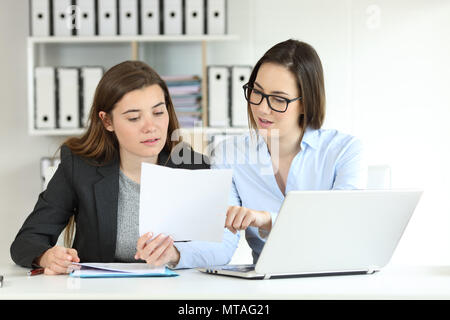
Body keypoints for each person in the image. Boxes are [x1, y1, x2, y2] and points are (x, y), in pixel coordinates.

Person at [10, 61, 239, 274]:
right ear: (107, 121)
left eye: (158, 112)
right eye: (133, 118)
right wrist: (47, 256)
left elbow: (219, 250)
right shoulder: (80, 166)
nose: (151, 127)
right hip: (101, 294)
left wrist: (176, 255)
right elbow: (27, 240)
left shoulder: (196, 168)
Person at [212, 39, 367, 263]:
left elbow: (339, 228)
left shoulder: (345, 151)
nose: (262, 108)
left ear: (306, 103)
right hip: (265, 286)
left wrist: (267, 220)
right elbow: (222, 244)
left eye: (278, 99)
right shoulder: (228, 156)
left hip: (333, 280)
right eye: (256, 92)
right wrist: (176, 255)